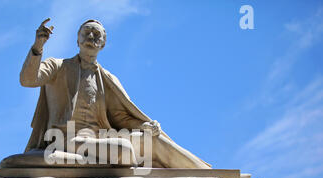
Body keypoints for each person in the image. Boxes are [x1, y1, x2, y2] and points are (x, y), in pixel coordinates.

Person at [18, 18, 211, 169]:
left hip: (101, 137)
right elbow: (28, 80)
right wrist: (38, 47)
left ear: (102, 44)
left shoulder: (108, 79)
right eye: (86, 33)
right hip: (65, 140)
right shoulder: (58, 66)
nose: (91, 37)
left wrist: (143, 125)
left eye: (96, 34)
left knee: (153, 140)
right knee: (124, 150)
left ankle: (208, 176)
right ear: (77, 40)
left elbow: (120, 117)